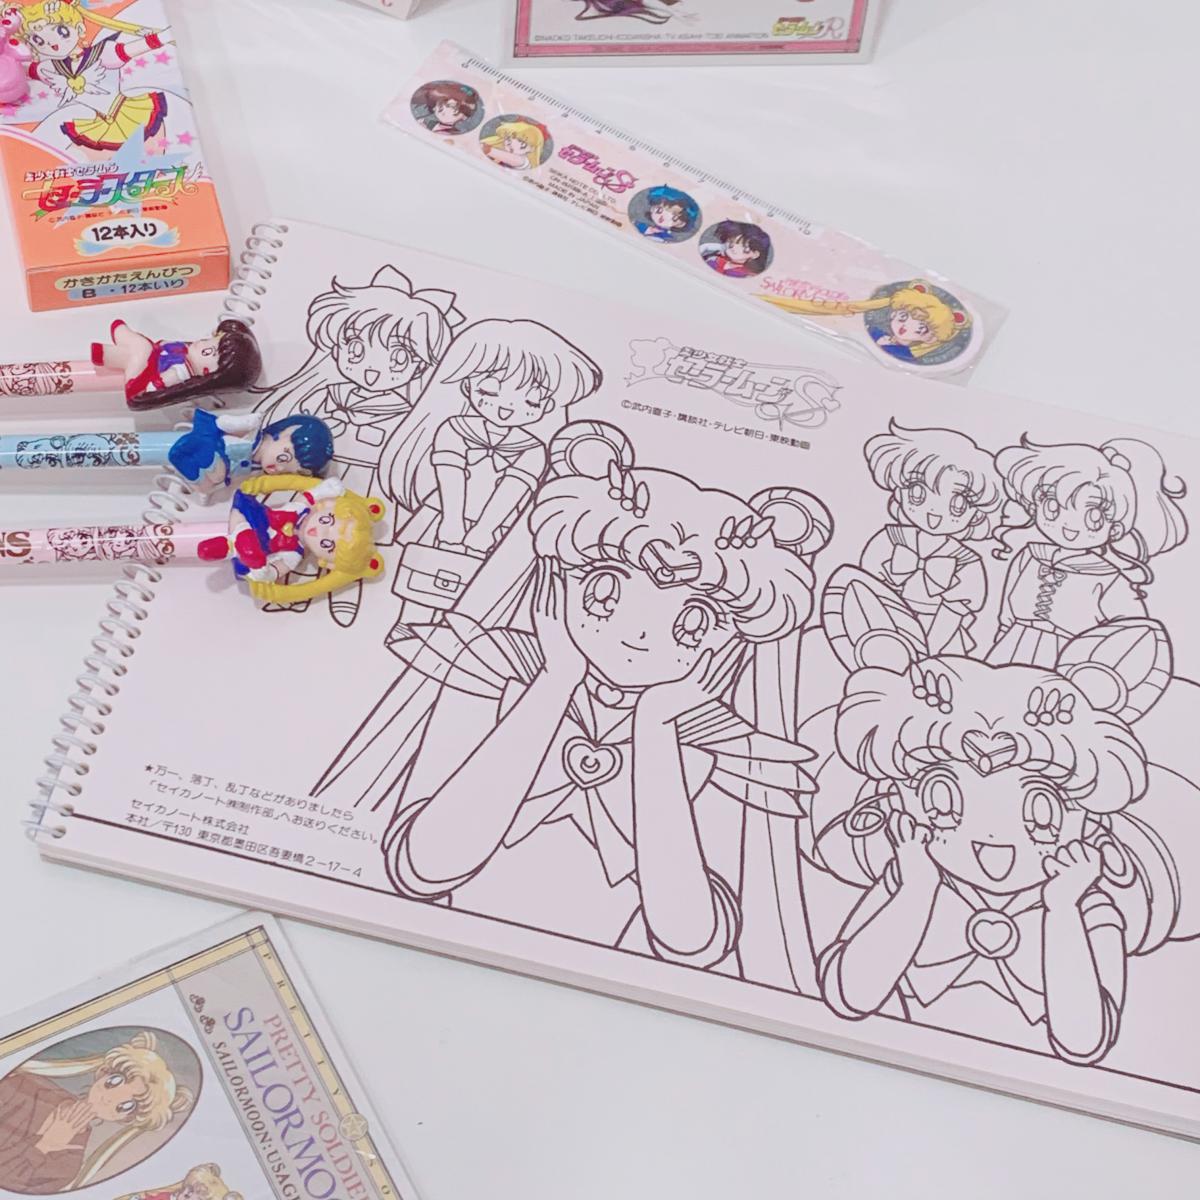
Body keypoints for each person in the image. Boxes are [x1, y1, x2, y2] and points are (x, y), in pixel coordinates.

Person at [380, 444, 833, 985]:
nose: (639, 633)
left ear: (728, 642)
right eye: (605, 592)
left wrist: (657, 727)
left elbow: (690, 940)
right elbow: (423, 868)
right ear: (558, 581)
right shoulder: (496, 665)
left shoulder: (717, 739)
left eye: (692, 621)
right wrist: (556, 682)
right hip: (428, 963)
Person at [987, 435, 1188, 667]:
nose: (1069, 525)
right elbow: (1007, 608)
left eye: (1093, 516)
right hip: (1012, 646)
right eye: (1053, 507)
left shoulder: (1109, 576)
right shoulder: (1030, 557)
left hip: (1068, 659)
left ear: (1115, 528)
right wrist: (1002, 635)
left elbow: (1134, 630)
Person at [853, 421, 1003, 655]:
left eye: (958, 504)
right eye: (918, 493)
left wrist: (927, 648)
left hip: (938, 635)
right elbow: (865, 588)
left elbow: (957, 609)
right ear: (899, 490)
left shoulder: (966, 560)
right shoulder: (889, 540)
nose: (934, 513)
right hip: (883, 623)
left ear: (976, 514)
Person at [0, 1031, 193, 1195]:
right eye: (114, 1082)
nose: (109, 1098)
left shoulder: (67, 1166)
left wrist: (44, 1145)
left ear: (127, 1118)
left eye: (125, 1105)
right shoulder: (26, 1085)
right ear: (103, 1073)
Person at [10, 1, 170, 153]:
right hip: (100, 124)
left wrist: (164, 37)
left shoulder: (102, 53)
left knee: (152, 153)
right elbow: (18, 66)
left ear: (79, 29)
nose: (52, 43)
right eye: (38, 40)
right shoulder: (49, 68)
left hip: (132, 113)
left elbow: (135, 48)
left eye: (61, 31)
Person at [167, 411, 334, 498]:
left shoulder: (256, 470)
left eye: (286, 471)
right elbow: (224, 424)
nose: (278, 468)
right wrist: (244, 422)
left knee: (207, 480)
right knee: (196, 453)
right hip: (211, 445)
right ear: (285, 432)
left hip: (215, 469)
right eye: (283, 458)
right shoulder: (252, 433)